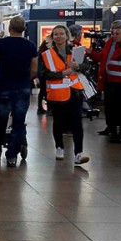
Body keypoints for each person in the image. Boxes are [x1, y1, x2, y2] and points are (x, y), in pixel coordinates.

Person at [0, 16, 37, 167]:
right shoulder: (30, 45)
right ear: (24, 29)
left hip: (4, 87)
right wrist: (27, 79)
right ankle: (12, 156)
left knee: (0, 122)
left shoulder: (0, 43)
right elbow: (34, 68)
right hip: (22, 88)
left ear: (9, 28)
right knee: (18, 123)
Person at [39, 25, 90, 165]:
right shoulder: (46, 54)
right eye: (56, 34)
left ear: (67, 36)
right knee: (58, 122)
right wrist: (63, 73)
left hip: (75, 91)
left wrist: (78, 67)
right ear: (52, 37)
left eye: (61, 34)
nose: (59, 36)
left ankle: (78, 153)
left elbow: (86, 66)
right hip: (57, 93)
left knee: (77, 123)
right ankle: (59, 147)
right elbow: (43, 74)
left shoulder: (76, 51)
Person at [87, 20, 121, 144]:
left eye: (116, 33)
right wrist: (92, 54)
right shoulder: (114, 43)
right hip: (113, 81)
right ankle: (114, 131)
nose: (113, 35)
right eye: (112, 32)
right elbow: (104, 57)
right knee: (113, 108)